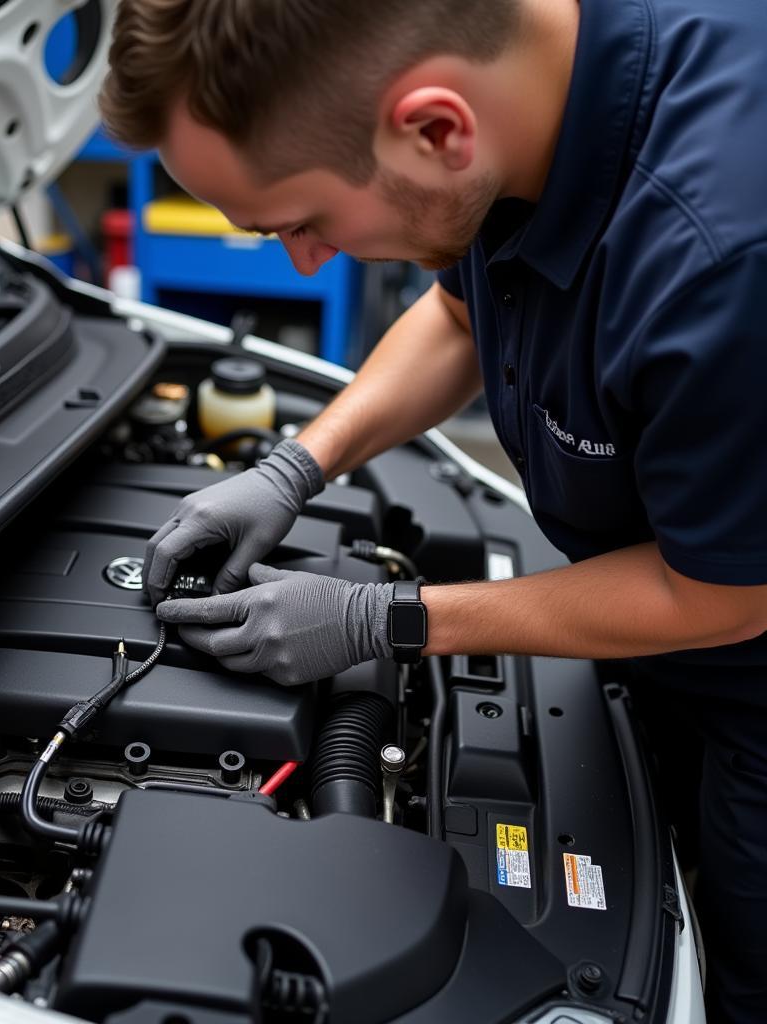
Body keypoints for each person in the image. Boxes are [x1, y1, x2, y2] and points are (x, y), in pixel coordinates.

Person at [100, 1, 767, 1019]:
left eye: (300, 223)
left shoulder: (719, 257)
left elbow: (722, 595)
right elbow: (460, 311)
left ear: (434, 130)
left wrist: (391, 620)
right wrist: (294, 466)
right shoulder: (524, 99)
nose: (302, 265)